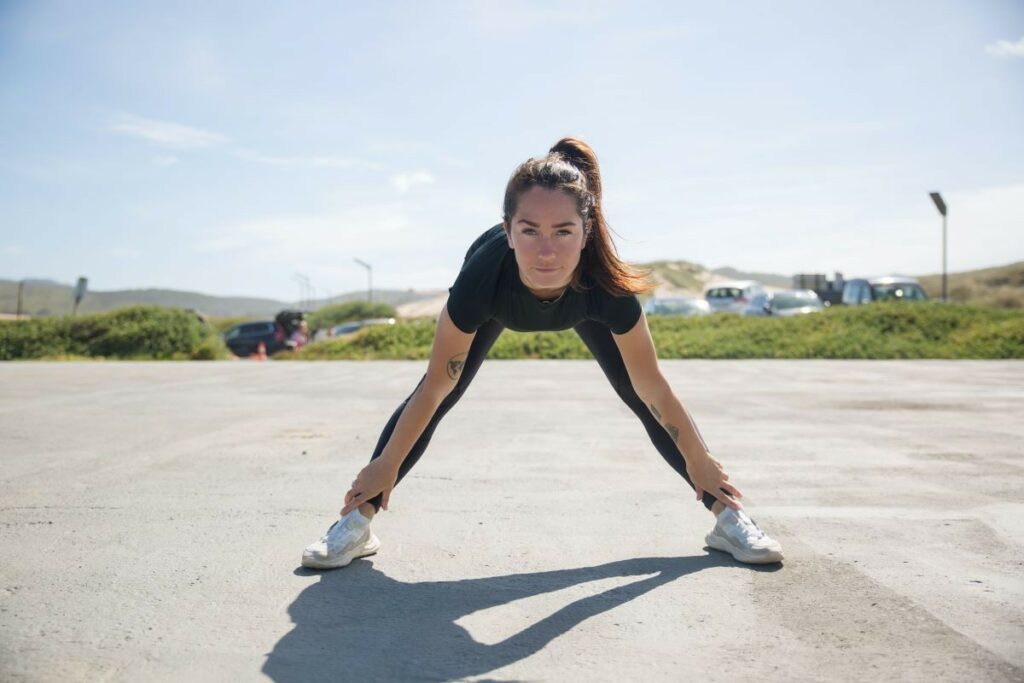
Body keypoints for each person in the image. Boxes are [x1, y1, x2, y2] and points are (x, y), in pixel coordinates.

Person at [302, 137, 783, 569]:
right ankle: (355, 524)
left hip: (584, 303)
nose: (546, 252)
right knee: (443, 400)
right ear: (507, 230)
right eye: (530, 231)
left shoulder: (606, 286)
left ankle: (728, 518)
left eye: (563, 232)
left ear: (586, 232)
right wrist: (385, 465)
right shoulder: (481, 280)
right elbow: (434, 386)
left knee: (639, 400)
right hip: (498, 303)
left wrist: (698, 459)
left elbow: (652, 385)